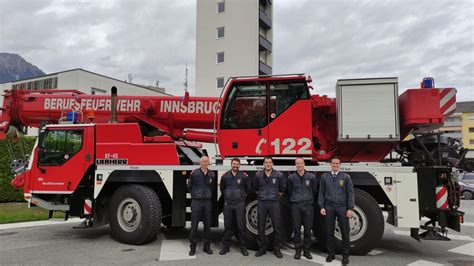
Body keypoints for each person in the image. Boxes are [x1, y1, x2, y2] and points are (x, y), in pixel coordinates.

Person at [318, 156, 354, 265]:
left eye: (337, 163)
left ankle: (345, 256)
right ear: (330, 164)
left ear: (340, 165)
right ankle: (331, 254)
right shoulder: (324, 177)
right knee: (329, 232)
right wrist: (322, 206)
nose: (335, 165)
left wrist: (350, 208)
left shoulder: (346, 177)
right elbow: (321, 193)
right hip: (329, 207)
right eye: (333, 163)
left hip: (342, 207)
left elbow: (350, 193)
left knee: (345, 232)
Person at [253, 156, 286, 258]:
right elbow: (255, 187)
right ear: (263, 164)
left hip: (274, 203)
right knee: (261, 226)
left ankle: (277, 249)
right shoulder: (258, 175)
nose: (268, 164)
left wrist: (275, 196)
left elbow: (282, 188)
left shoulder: (279, 175)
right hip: (262, 202)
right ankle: (262, 248)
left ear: (272, 164)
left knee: (277, 226)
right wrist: (262, 195)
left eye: (269, 162)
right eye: (266, 162)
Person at [287, 157, 317, 260]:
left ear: (304, 164)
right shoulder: (291, 178)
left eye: (301, 163)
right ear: (295, 165)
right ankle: (298, 251)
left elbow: (314, 190)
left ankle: (307, 251)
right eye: (297, 163)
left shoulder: (311, 177)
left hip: (308, 206)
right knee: (296, 229)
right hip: (296, 206)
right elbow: (289, 191)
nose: (299, 165)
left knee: (308, 230)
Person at [219, 158, 250, 256]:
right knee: (227, 226)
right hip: (228, 204)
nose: (235, 165)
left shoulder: (244, 176)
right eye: (234, 164)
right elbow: (222, 189)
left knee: (241, 226)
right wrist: (228, 196)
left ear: (239, 165)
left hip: (239, 204)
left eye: (237, 164)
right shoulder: (225, 176)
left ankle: (243, 247)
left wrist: (241, 196)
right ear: (231, 164)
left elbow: (248, 188)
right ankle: (225, 247)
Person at [187, 156, 215, 256]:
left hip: (207, 202)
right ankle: (192, 248)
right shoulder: (194, 173)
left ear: (209, 163)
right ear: (200, 162)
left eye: (207, 161)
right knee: (194, 226)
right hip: (196, 202)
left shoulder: (212, 174)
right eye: (203, 161)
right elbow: (189, 186)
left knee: (207, 226)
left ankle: (207, 247)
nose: (205, 162)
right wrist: (195, 195)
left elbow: (211, 187)